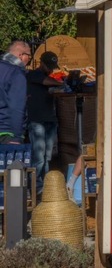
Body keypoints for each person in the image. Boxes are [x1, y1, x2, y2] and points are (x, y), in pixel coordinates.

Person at [25, 50, 64, 191]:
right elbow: (46, 81)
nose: (50, 70)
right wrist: (60, 83)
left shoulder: (46, 77)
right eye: (49, 66)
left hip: (49, 119)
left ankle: (43, 187)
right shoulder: (33, 74)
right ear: (41, 63)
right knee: (39, 157)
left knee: (47, 157)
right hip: (37, 120)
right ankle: (34, 187)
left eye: (52, 67)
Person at [0, 41, 31, 144]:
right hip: (7, 133)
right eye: (29, 56)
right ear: (21, 55)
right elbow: (16, 107)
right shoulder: (16, 74)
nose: (29, 60)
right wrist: (16, 136)